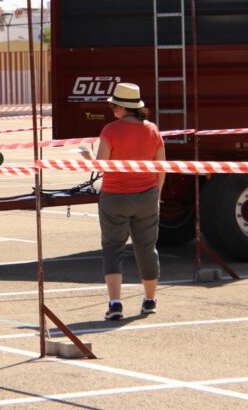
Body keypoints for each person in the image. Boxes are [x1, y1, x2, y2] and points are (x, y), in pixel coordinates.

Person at [82, 82, 166, 320]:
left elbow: (101, 166)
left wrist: (88, 157)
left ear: (120, 108)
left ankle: (116, 303)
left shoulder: (110, 130)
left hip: (115, 197)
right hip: (147, 195)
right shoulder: (153, 130)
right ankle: (149, 300)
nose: (112, 110)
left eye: (113, 106)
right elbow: (161, 167)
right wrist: (156, 195)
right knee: (147, 249)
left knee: (112, 249)